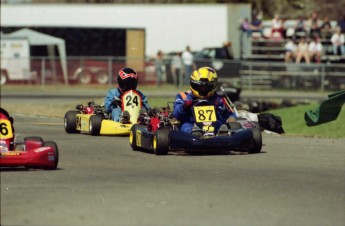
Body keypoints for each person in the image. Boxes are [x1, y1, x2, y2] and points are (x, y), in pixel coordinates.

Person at [173, 67, 237, 137]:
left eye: (206, 87)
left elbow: (230, 114)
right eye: (199, 86)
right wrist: (184, 107)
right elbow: (176, 114)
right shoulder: (184, 96)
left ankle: (222, 134)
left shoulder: (218, 99)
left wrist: (231, 118)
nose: (203, 89)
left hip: (213, 125)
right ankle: (195, 134)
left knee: (220, 124)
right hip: (191, 123)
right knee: (185, 126)